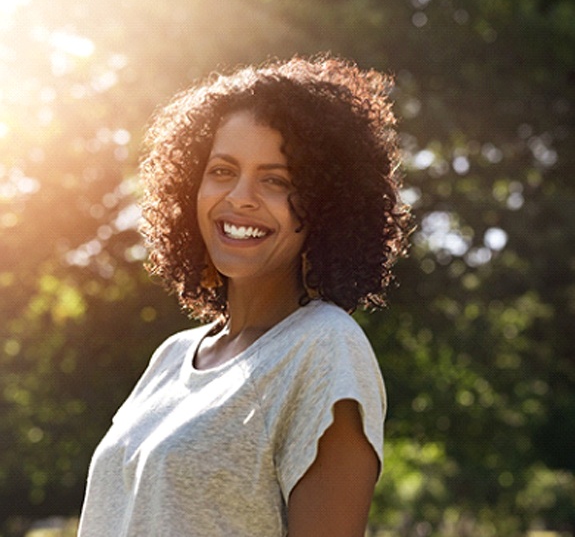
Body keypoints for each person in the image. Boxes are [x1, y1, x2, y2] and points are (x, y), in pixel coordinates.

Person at [78, 54, 411, 537]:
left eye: (275, 180)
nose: (240, 197)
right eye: (221, 171)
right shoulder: (170, 357)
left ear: (325, 205)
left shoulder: (325, 349)